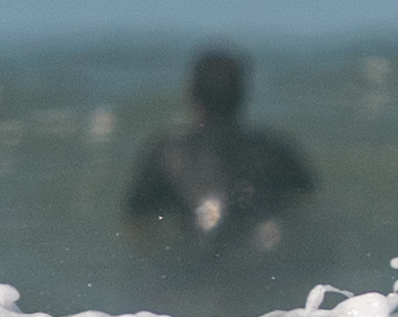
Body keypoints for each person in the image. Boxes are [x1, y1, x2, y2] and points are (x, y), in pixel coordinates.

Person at [119, 48, 321, 262]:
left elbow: (135, 229)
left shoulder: (166, 154)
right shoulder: (276, 153)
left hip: (192, 268)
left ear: (191, 93)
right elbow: (312, 215)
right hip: (256, 267)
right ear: (242, 94)